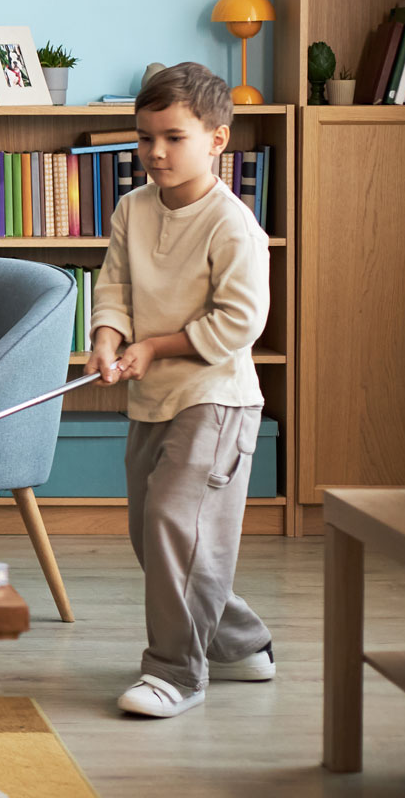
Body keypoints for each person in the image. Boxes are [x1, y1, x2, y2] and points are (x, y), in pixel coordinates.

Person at [86, 62, 275, 718]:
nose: (155, 152)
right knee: (155, 535)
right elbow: (113, 285)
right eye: (144, 138)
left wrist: (155, 346)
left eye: (172, 138)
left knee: (174, 526)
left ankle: (175, 674)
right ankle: (243, 643)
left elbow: (240, 321)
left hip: (216, 398)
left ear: (217, 140)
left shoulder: (232, 226)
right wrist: (107, 338)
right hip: (152, 398)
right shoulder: (132, 208)